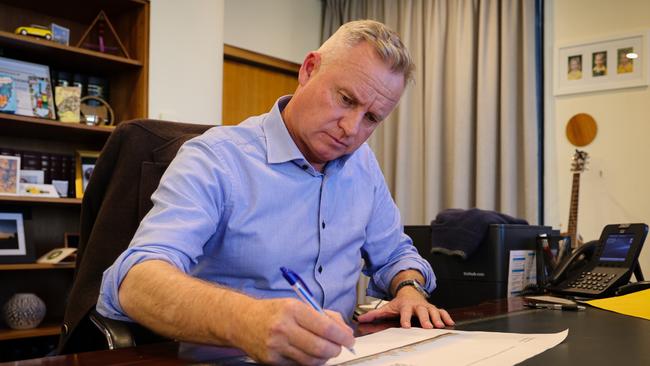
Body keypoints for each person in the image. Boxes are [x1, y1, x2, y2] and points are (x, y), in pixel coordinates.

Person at [97, 19, 454, 365]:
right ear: (309, 69)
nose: (351, 129)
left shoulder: (362, 166)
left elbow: (394, 254)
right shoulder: (216, 159)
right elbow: (135, 281)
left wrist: (409, 288)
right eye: (346, 99)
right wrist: (247, 320)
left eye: (372, 118)